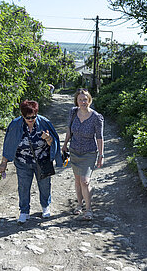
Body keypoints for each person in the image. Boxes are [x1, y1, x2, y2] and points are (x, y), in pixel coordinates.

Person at [0, 99, 63, 224]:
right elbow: (9, 144)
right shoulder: (15, 125)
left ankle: (45, 206)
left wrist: (48, 138)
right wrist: (3, 162)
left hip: (42, 160)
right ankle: (24, 211)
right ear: (22, 115)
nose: (31, 119)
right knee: (23, 187)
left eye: (34, 116)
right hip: (22, 162)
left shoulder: (44, 122)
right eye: (28, 117)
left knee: (44, 185)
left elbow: (53, 143)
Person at [62, 88, 104, 220]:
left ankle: (88, 209)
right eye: (80, 99)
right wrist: (65, 144)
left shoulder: (96, 117)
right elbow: (69, 129)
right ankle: (79, 205)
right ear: (77, 101)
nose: (83, 102)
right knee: (78, 180)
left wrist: (101, 156)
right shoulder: (73, 112)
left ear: (89, 100)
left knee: (85, 181)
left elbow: (100, 137)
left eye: (85, 99)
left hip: (89, 153)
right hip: (74, 150)